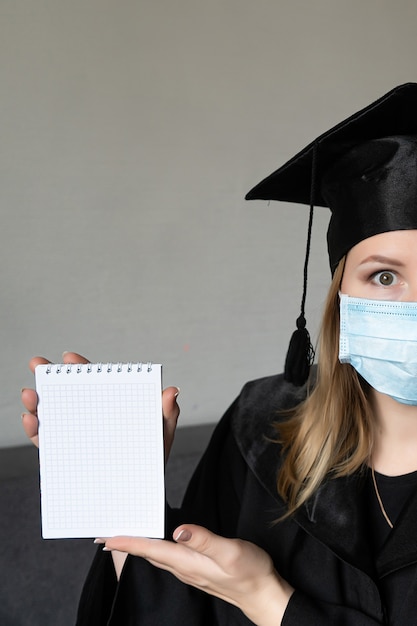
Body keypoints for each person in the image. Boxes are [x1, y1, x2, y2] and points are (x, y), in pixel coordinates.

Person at [21, 82, 417, 625]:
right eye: (385, 276)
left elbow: (249, 599)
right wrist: (118, 492)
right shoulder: (263, 425)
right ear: (340, 293)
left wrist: (269, 601)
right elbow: (184, 609)